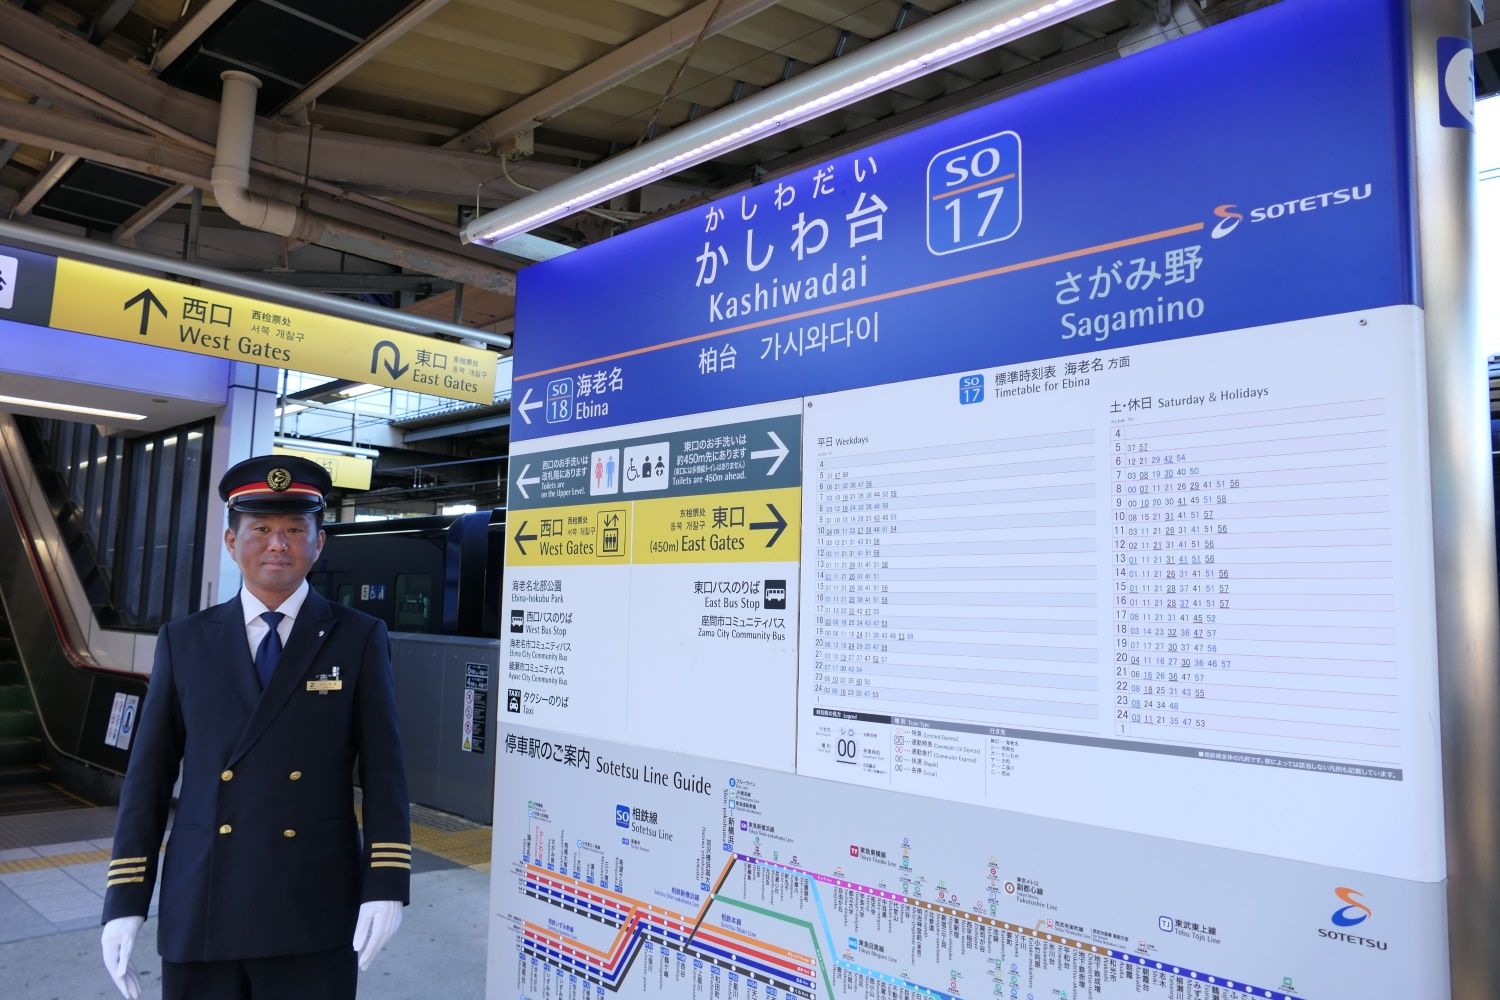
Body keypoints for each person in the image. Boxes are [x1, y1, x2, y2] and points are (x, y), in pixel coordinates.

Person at [99, 455, 410, 1000]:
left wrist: (385, 883)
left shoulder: (357, 637)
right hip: (204, 901)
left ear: (319, 544)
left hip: (313, 903)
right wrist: (126, 900)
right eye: (261, 529)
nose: (277, 544)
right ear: (230, 541)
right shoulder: (186, 639)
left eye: (295, 529)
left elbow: (385, 772)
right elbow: (147, 778)